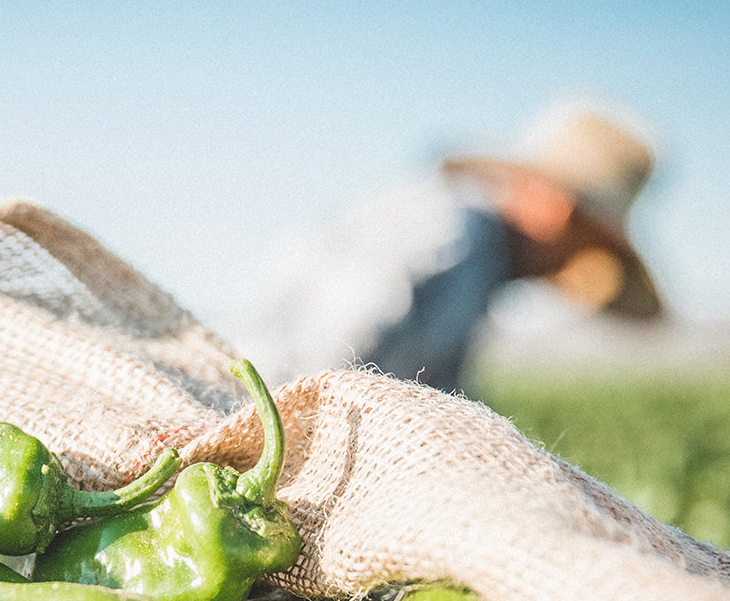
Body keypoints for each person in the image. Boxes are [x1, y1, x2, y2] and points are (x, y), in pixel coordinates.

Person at [242, 101, 665, 394]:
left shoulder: (479, 262)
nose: (572, 267)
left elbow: (437, 390)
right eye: (586, 244)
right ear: (556, 210)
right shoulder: (450, 235)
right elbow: (322, 369)